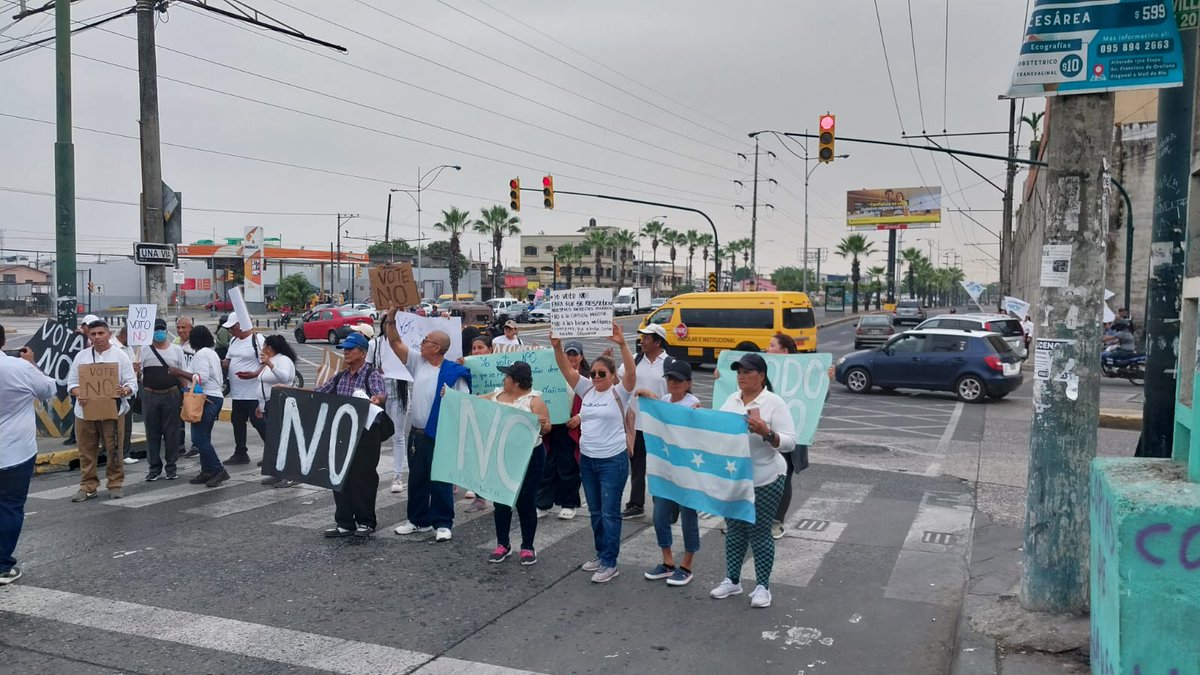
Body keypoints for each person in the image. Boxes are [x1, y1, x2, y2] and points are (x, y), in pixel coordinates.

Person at [551, 323, 637, 584]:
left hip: (613, 460)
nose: (597, 377)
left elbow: (631, 375)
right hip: (588, 460)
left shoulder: (620, 392)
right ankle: (601, 555)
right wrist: (556, 346)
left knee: (610, 512)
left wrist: (622, 345)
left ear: (612, 376)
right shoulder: (586, 388)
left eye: (603, 373)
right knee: (596, 512)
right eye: (596, 373)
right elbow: (566, 370)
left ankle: (610, 562)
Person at [711, 353, 797, 608]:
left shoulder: (773, 403)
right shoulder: (731, 399)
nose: (741, 376)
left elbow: (790, 441)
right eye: (739, 372)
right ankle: (732, 580)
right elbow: (718, 428)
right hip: (735, 478)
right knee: (735, 531)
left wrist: (766, 432)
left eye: (747, 372)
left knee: (759, 533)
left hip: (765, 478)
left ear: (761, 376)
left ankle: (763, 587)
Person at [388, 321, 471, 542]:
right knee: (417, 479)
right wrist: (390, 318)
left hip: (441, 433)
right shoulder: (418, 362)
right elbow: (395, 342)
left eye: (426, 341)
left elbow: (464, 404)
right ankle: (418, 521)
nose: (421, 343)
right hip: (417, 433)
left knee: (440, 479)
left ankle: (443, 522)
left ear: (436, 347)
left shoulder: (454, 372)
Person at [636, 358, 701, 586]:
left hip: (687, 472)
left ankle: (687, 564)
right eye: (670, 379)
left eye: (678, 380)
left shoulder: (693, 404)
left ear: (688, 383)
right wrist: (651, 400)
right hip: (665, 470)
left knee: (688, 518)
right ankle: (667, 561)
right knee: (660, 516)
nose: (673, 384)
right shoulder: (663, 399)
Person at [0, 325, 57, 584]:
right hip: (14, 452)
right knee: (10, 507)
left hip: (14, 451)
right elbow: (49, 389)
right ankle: (2, 566)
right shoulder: (18, 368)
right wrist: (31, 363)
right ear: (4, 341)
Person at [319, 332, 389, 538]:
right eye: (345, 349)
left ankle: (366, 522)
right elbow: (320, 392)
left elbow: (380, 393)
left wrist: (376, 399)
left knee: (363, 478)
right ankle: (344, 522)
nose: (347, 352)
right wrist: (287, 391)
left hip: (366, 435)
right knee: (339, 476)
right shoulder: (340, 376)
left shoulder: (371, 375)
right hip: (343, 434)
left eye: (351, 349)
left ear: (363, 353)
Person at [482, 361, 551, 565]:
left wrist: (541, 423)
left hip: (529, 457)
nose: (503, 380)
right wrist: (450, 396)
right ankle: (503, 544)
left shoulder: (533, 401)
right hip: (502, 455)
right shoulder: (496, 395)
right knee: (501, 500)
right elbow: (472, 402)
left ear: (517, 381)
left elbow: (547, 428)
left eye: (507, 377)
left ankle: (527, 546)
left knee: (526, 501)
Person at [66, 320, 138, 502]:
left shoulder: (120, 357)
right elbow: (72, 383)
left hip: (112, 411)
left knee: (114, 449)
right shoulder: (81, 357)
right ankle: (88, 486)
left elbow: (132, 383)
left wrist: (124, 391)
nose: (97, 337)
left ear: (109, 334)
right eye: (93, 334)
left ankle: (115, 483)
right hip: (85, 412)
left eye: (101, 333)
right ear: (89, 336)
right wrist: (79, 394)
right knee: (86, 450)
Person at [620, 324, 671, 520]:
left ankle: (663, 506)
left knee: (661, 467)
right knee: (638, 466)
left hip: (660, 425)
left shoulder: (669, 363)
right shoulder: (634, 360)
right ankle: (635, 504)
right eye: (642, 337)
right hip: (637, 424)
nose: (642, 340)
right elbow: (618, 376)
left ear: (658, 341)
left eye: (647, 337)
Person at [535, 340, 587, 520]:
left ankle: (569, 503)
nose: (572, 357)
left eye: (575, 354)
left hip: (570, 427)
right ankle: (542, 503)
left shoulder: (586, 378)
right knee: (547, 465)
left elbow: (594, 402)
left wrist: (579, 417)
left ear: (581, 356)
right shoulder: (552, 373)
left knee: (568, 466)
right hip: (551, 426)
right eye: (569, 354)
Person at [136, 318, 188, 481]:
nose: (159, 333)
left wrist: (185, 394)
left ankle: (171, 467)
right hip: (150, 395)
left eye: (161, 329)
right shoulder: (144, 350)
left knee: (171, 432)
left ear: (166, 331)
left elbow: (182, 374)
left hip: (171, 394)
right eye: (156, 330)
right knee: (152, 432)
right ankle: (154, 468)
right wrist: (136, 371)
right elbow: (138, 376)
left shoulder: (176, 350)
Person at [765, 332, 801, 540]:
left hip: (787, 434)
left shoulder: (800, 370)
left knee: (784, 477)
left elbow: (817, 397)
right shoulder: (763, 370)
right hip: (764, 433)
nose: (767, 349)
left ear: (784, 351)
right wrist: (721, 375)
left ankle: (777, 521)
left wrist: (825, 380)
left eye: (771, 345)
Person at [185, 326, 229, 488]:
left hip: (206, 398)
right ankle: (207, 470)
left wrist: (179, 372)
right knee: (205, 436)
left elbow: (201, 377)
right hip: (214, 397)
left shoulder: (202, 354)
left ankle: (218, 469)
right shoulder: (211, 353)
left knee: (198, 438)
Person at [255, 335, 299, 487]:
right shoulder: (272, 360)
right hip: (268, 403)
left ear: (269, 348)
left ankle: (291, 474)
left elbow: (285, 376)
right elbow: (263, 383)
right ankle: (278, 473)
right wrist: (260, 406)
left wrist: (269, 364)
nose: (262, 348)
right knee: (275, 441)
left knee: (283, 440)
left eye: (264, 345)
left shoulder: (282, 360)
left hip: (279, 402)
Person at [222, 316, 266, 465]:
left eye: (232, 328)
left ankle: (272, 452)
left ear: (241, 325)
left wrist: (255, 373)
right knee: (237, 422)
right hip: (237, 392)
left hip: (253, 392)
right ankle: (240, 452)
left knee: (259, 423)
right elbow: (228, 360)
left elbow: (267, 362)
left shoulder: (258, 340)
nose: (230, 331)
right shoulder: (234, 341)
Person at [61, 313, 100, 447]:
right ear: (84, 326)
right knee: (78, 408)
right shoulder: (78, 339)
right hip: (79, 381)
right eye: (90, 327)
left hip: (94, 381)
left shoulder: (93, 340)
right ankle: (75, 435)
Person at [174, 317, 199, 458]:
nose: (180, 330)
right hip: (179, 386)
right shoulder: (175, 343)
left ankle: (197, 444)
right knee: (179, 416)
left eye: (183, 327)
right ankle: (180, 444)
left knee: (194, 414)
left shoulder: (196, 345)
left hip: (194, 386)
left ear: (191, 328)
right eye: (178, 327)